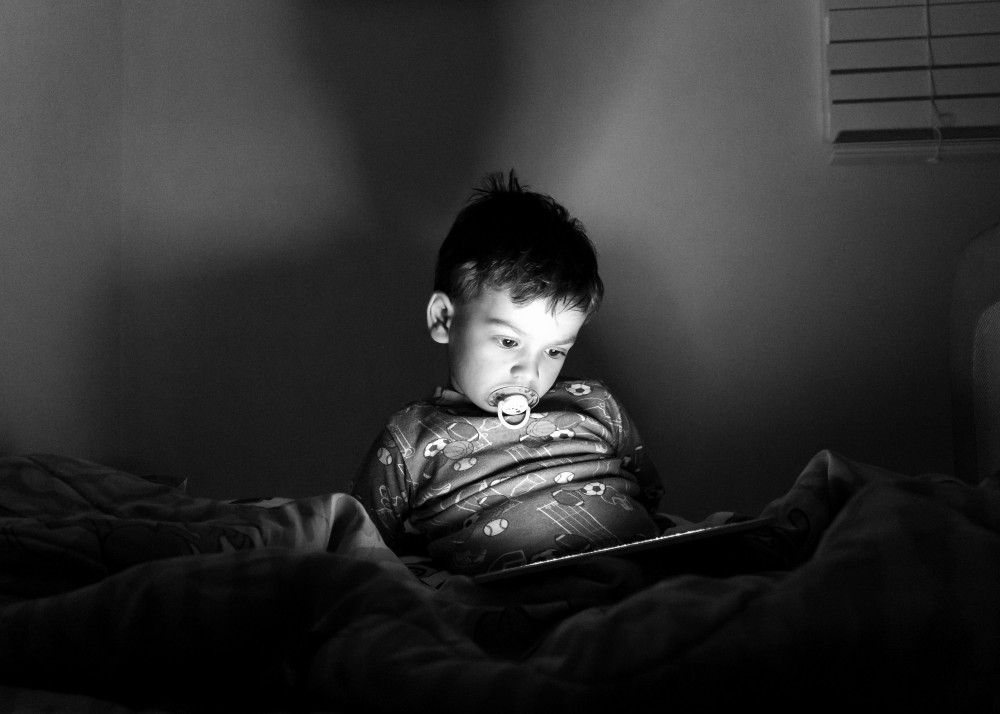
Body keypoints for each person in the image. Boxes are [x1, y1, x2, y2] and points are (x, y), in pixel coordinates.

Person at [350, 170, 664, 575]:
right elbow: (359, 544)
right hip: (519, 600)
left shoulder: (596, 404)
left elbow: (649, 493)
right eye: (509, 341)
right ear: (444, 318)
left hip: (641, 578)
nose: (530, 371)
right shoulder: (410, 439)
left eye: (554, 350)